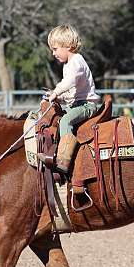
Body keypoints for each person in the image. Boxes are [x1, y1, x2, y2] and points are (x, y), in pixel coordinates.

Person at [44, 24, 102, 174]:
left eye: (55, 49)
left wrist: (56, 92)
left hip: (87, 105)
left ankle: (64, 159)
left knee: (65, 121)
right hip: (77, 103)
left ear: (68, 46)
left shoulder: (76, 60)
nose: (53, 53)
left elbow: (69, 82)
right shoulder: (68, 65)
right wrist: (60, 98)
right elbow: (71, 91)